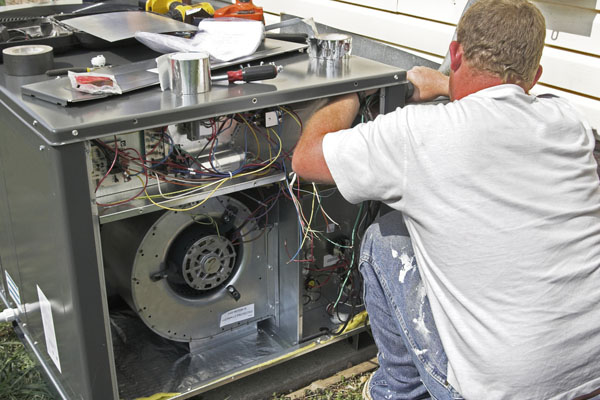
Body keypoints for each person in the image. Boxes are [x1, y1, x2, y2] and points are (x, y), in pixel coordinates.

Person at [291, 0, 600, 399]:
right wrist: (444, 85)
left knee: (385, 240)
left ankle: (400, 392)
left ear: (455, 54)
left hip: (504, 392)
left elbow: (306, 158)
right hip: (592, 373)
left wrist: (348, 92)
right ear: (535, 75)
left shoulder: (420, 134)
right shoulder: (568, 122)